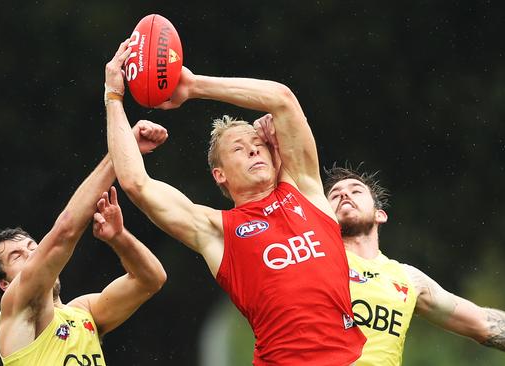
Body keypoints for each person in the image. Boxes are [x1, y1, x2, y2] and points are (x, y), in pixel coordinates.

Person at [104, 39, 366, 364]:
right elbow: (136, 183)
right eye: (238, 149)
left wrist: (193, 85)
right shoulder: (218, 230)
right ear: (220, 175)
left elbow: (282, 100)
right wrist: (113, 97)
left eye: (257, 143)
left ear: (273, 151)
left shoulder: (307, 192)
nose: (253, 150)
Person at [320, 163, 505, 366]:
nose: (345, 195)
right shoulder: (312, 263)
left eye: (356, 191)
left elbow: (484, 322)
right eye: (334, 195)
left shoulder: (408, 279)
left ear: (380, 215)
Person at [0, 120, 168, 365]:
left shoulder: (83, 312)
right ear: (5, 284)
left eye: (31, 246)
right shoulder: (17, 308)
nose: (31, 254)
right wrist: (122, 148)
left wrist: (119, 238)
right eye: (16, 256)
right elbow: (65, 231)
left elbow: (151, 279)